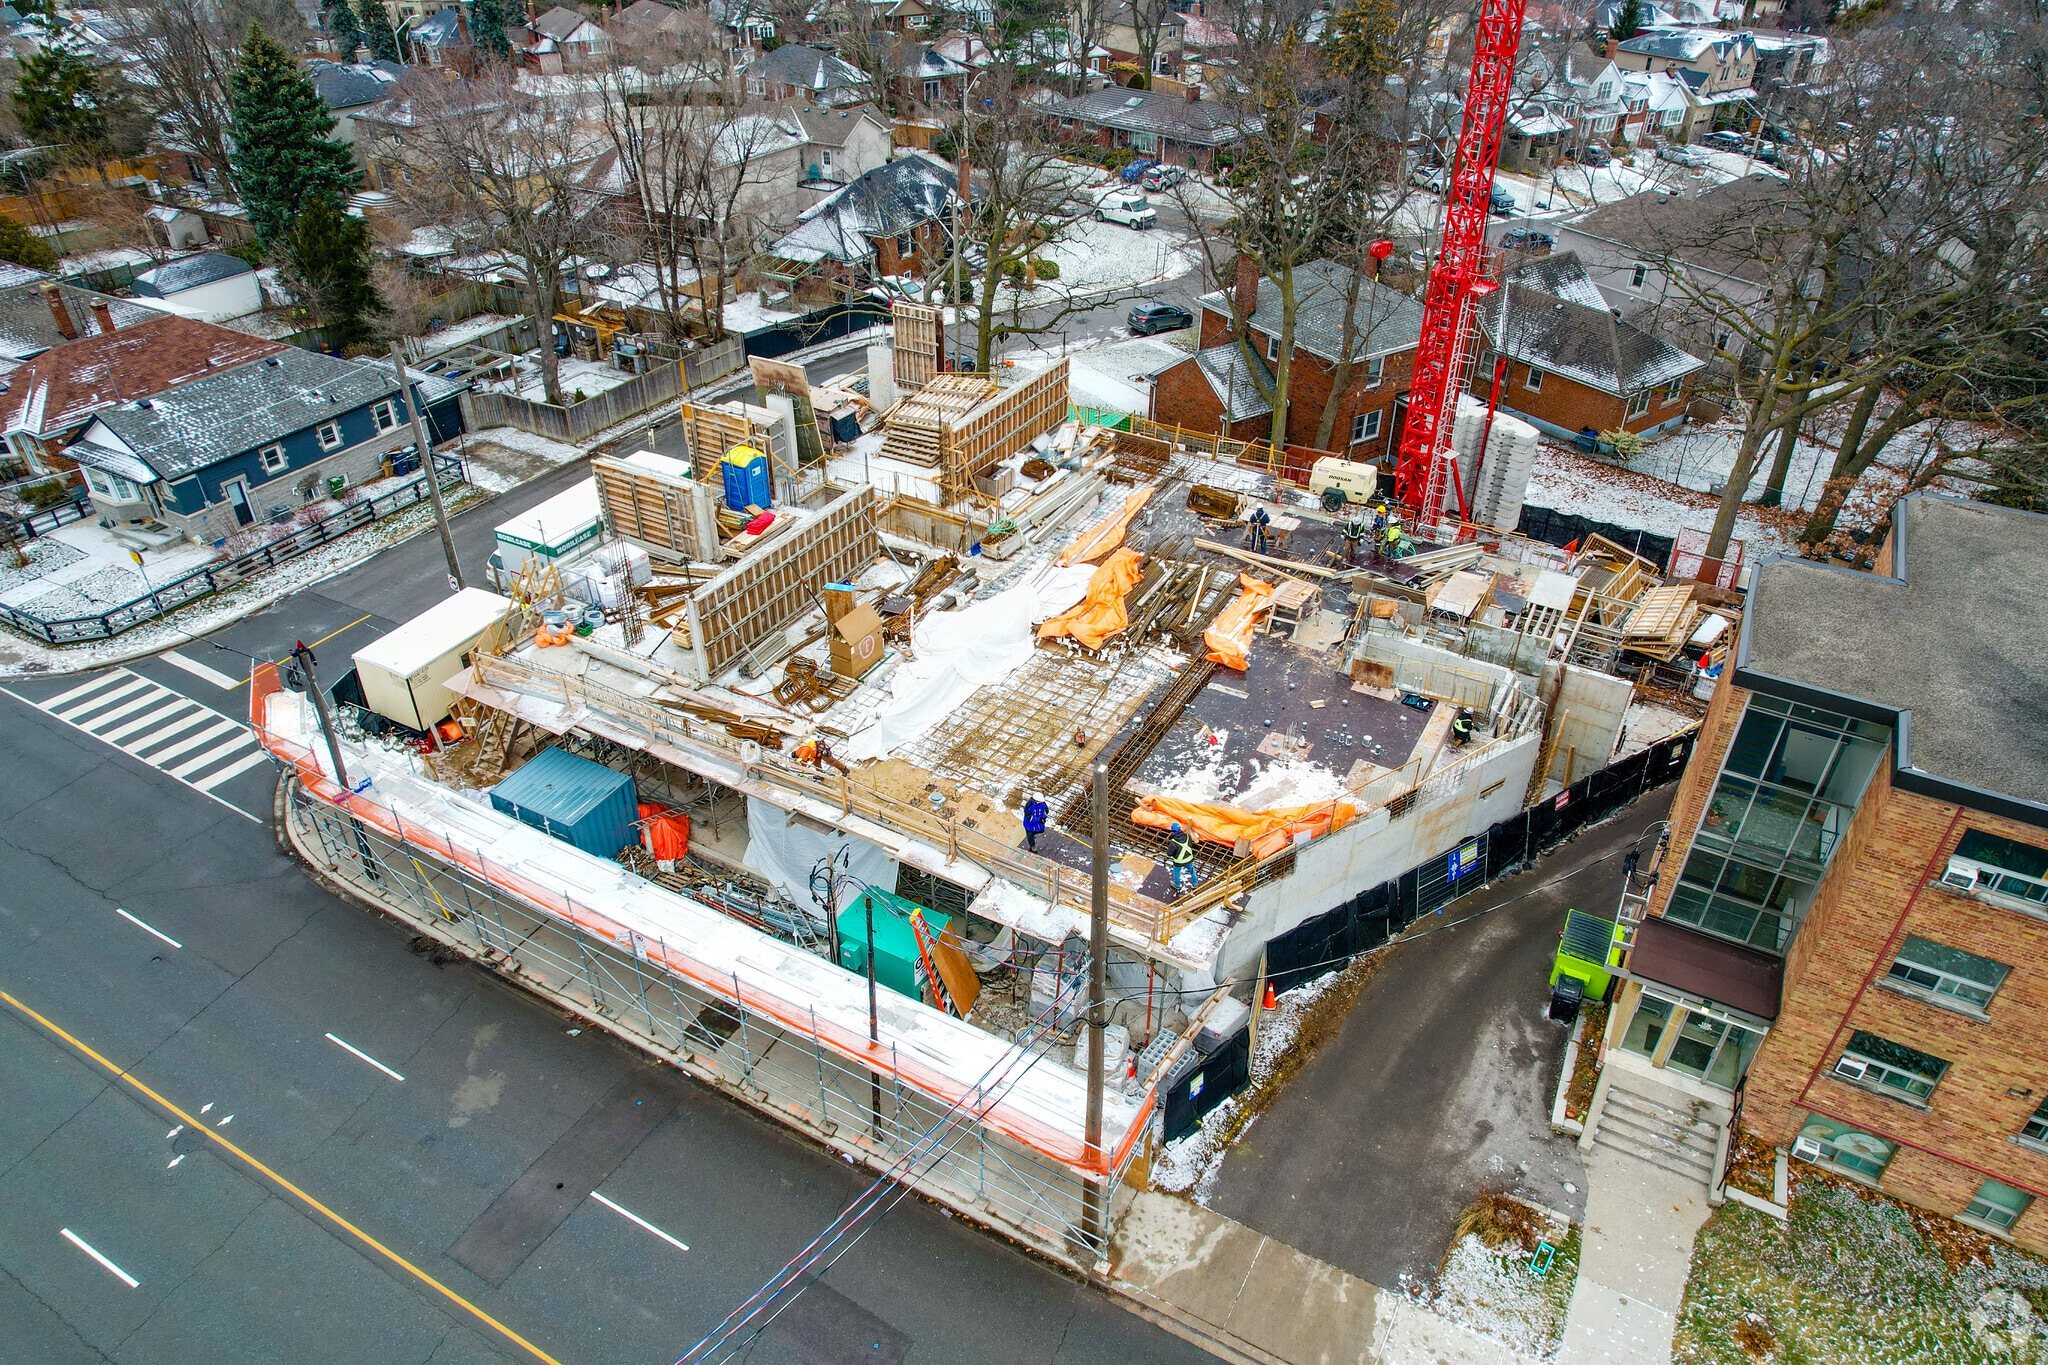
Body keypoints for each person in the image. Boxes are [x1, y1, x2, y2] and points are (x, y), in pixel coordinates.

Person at [1167, 821, 1199, 892]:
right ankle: (1195, 884)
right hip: (1189, 858)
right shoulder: (1187, 836)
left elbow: (1170, 853)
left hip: (1179, 861)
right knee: (1192, 870)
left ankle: (1177, 885)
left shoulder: (1173, 841)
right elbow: (1190, 845)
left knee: (1176, 872)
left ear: (1172, 831)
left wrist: (1169, 855)